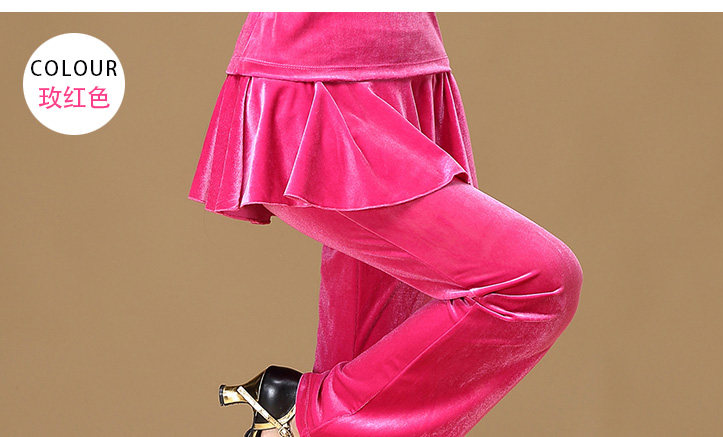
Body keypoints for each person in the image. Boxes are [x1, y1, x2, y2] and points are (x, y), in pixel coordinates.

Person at [188, 12, 583, 437]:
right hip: (317, 80)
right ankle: (304, 410)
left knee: (371, 405)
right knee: (538, 282)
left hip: (410, 79)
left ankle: (311, 419)